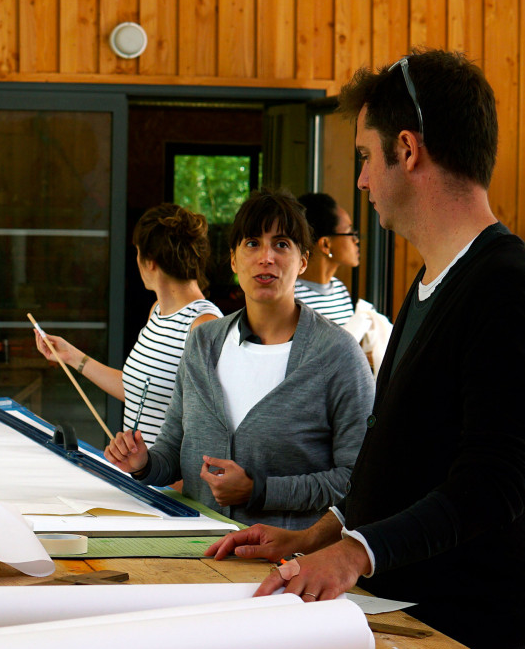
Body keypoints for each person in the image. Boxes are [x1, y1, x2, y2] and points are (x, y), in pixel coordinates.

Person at [207, 50, 525, 649]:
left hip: (474, 639)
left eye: (367, 157)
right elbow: (399, 458)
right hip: (405, 618)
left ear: (408, 148)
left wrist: (353, 555)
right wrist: (312, 537)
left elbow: (496, 480)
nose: (363, 180)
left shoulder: (506, 285)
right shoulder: (431, 280)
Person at [104, 189, 374, 529]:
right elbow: (172, 453)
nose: (266, 257)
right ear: (233, 260)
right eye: (251, 243)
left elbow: (357, 482)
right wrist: (142, 462)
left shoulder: (338, 354)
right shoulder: (203, 342)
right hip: (200, 556)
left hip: (289, 568)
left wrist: (258, 491)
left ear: (302, 260)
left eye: (281, 244)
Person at [35, 203, 222, 444]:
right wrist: (70, 356)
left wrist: (172, 483)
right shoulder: (157, 311)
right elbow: (135, 389)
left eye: (137, 252)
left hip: (166, 480)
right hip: (139, 476)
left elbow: (210, 427)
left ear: (150, 261)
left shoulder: (204, 324)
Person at [294, 192, 360, 326]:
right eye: (349, 232)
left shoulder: (340, 290)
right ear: (325, 244)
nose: (356, 240)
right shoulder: (291, 296)